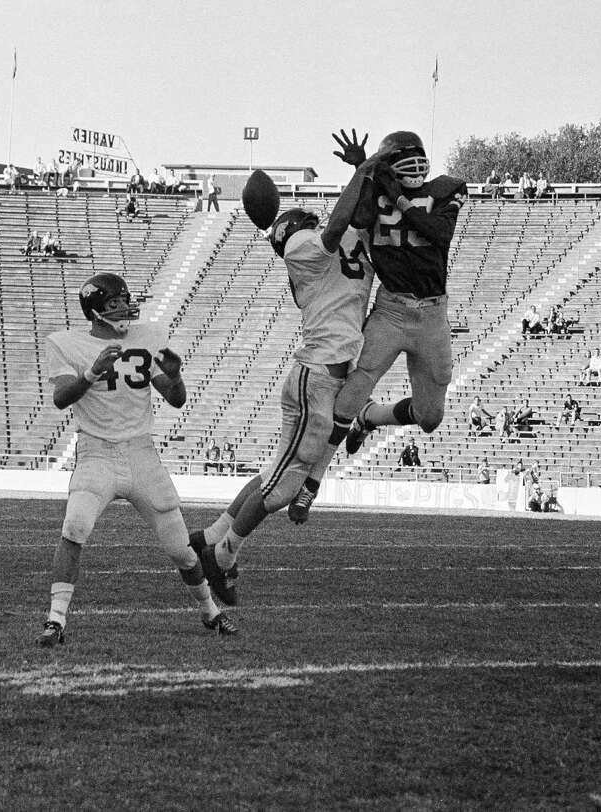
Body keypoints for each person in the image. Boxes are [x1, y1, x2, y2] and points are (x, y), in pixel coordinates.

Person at [187, 156, 377, 605]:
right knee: (283, 488)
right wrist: (362, 170)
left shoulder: (331, 247)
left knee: (273, 475)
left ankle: (210, 536)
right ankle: (223, 555)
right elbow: (334, 231)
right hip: (316, 380)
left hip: (322, 377)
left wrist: (367, 176)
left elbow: (358, 218)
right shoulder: (302, 249)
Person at [37, 272, 236, 645]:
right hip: (96, 451)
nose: (125, 307)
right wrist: (93, 370)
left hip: (141, 452)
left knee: (180, 548)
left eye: (125, 299)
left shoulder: (149, 336)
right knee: (74, 527)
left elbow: (175, 398)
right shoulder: (65, 343)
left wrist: (175, 377)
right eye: (115, 303)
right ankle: (55, 620)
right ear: (95, 311)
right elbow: (62, 398)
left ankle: (211, 613)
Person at [290, 129, 467, 520]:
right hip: (391, 309)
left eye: (415, 155)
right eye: (401, 157)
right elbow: (361, 217)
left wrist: (399, 197)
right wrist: (366, 172)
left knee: (429, 419)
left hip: (433, 315)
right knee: (351, 393)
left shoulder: (446, 189)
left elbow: (437, 233)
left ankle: (371, 417)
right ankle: (312, 485)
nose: (412, 164)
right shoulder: (376, 193)